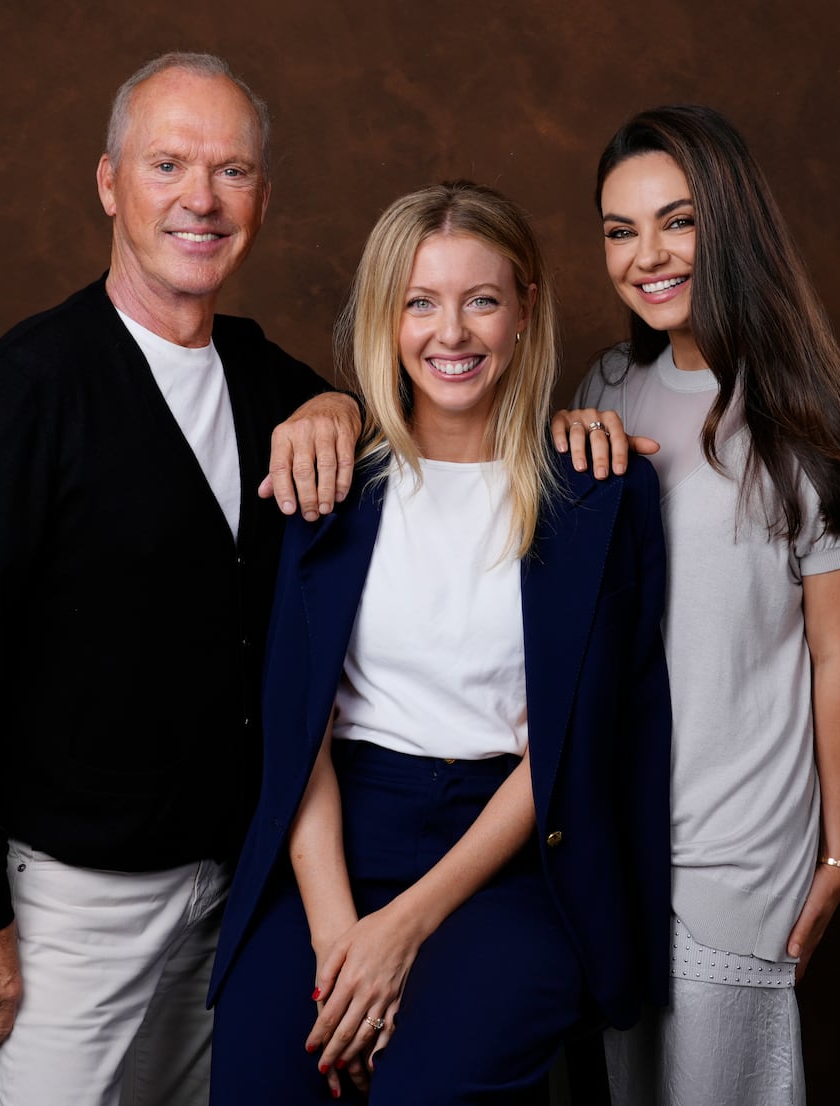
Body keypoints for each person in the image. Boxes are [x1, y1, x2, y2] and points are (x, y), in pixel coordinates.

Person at [0, 51, 363, 1106]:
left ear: (262, 200)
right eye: (169, 163)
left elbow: (390, 410)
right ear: (110, 183)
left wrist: (341, 407)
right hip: (73, 898)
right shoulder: (25, 389)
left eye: (231, 171)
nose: (201, 197)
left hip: (236, 880)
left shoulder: (257, 372)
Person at [205, 181, 672, 1105]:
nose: (449, 334)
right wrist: (341, 935)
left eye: (481, 300)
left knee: (426, 1086)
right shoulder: (327, 486)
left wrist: (400, 931)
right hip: (335, 835)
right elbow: (297, 736)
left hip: (509, 854)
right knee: (266, 1079)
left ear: (525, 308)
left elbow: (570, 748)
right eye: (420, 302)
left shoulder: (599, 494)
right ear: (387, 316)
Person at [553, 105, 840, 1104]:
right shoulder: (606, 387)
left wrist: (837, 853)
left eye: (675, 221)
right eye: (619, 230)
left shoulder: (811, 423)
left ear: (730, 223)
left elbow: (835, 662)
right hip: (611, 849)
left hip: (737, 856)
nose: (647, 255)